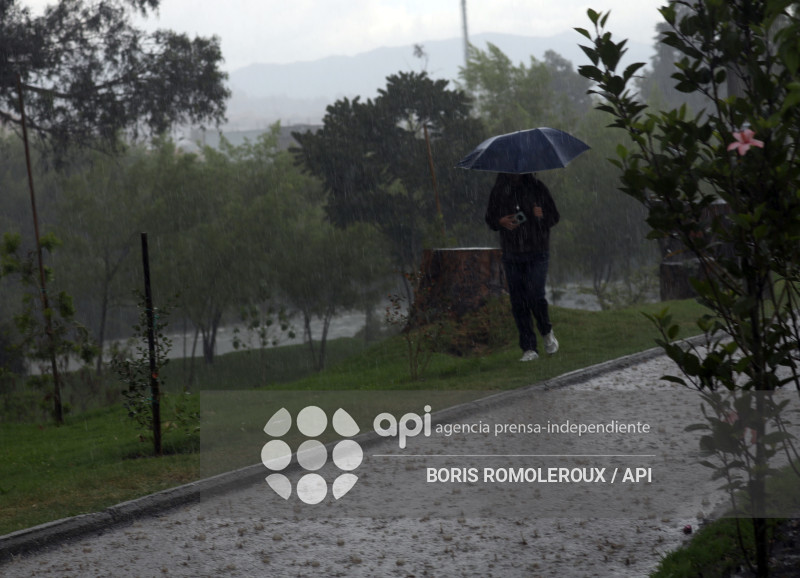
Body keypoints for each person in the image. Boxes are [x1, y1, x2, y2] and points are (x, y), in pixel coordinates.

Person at [485, 172, 560, 362]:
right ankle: (528, 347)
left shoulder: (537, 187)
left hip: (537, 251)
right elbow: (490, 218)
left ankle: (546, 330)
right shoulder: (500, 189)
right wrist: (500, 221)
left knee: (535, 295)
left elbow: (554, 216)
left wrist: (541, 215)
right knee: (518, 301)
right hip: (512, 253)